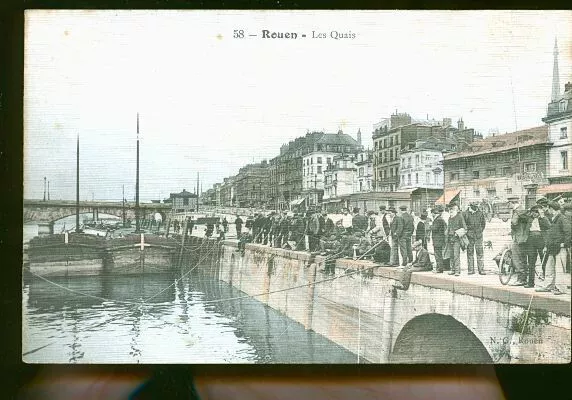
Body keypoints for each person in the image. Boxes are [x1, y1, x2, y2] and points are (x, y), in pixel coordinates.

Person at [536, 202, 571, 295]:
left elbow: (568, 232)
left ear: (552, 209)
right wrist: (546, 246)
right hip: (552, 247)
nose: (549, 211)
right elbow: (551, 235)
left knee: (560, 268)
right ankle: (548, 285)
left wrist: (565, 244)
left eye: (549, 209)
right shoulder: (554, 219)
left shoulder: (562, 219)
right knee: (549, 267)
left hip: (560, 247)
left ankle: (560, 288)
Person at [523, 205, 550, 288]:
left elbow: (549, 226)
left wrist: (542, 216)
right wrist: (528, 210)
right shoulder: (529, 218)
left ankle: (546, 282)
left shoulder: (543, 218)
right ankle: (531, 282)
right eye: (533, 212)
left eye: (536, 212)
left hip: (541, 240)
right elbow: (522, 215)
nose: (534, 214)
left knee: (544, 261)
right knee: (531, 261)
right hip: (530, 240)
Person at [508, 196, 529, 286]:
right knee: (523, 258)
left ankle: (521, 279)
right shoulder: (522, 210)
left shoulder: (517, 211)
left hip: (518, 238)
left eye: (509, 203)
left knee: (517, 258)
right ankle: (524, 278)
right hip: (523, 238)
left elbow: (514, 222)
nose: (508, 205)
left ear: (512, 203)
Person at [464, 202, 487, 275]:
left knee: (480, 253)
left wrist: (480, 231)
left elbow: (483, 224)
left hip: (478, 236)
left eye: (477, 206)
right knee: (470, 253)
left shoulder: (480, 213)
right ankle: (471, 270)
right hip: (469, 236)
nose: (476, 208)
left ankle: (481, 270)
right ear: (471, 206)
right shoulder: (465, 213)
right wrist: (468, 232)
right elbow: (463, 225)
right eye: (475, 206)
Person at [445, 203, 466, 276]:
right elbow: (448, 227)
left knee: (456, 255)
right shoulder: (449, 218)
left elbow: (465, 228)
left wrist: (458, 233)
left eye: (452, 209)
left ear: (455, 209)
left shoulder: (460, 217)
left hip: (457, 239)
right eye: (449, 210)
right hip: (450, 238)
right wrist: (446, 232)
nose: (450, 211)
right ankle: (452, 269)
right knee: (451, 255)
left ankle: (457, 271)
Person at [431, 205, 448, 273]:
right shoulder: (440, 219)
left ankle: (439, 269)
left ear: (434, 213)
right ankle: (439, 268)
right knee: (438, 254)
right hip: (439, 240)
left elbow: (435, 229)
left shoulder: (438, 220)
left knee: (438, 254)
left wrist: (430, 226)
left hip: (438, 240)